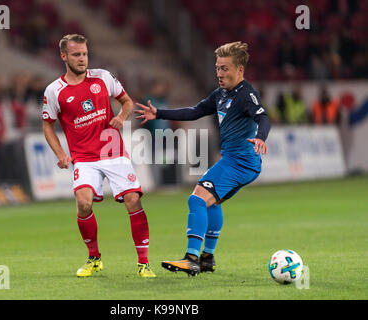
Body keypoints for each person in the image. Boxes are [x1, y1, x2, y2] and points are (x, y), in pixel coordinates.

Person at [136, 41, 271, 276]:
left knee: (196, 200)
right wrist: (159, 112)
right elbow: (194, 111)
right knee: (210, 201)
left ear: (240, 70)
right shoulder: (220, 94)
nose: (219, 73)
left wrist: (260, 137)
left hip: (241, 161)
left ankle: (191, 258)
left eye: (225, 68)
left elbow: (263, 118)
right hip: (235, 161)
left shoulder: (246, 95)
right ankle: (207, 258)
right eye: (217, 68)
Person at [42, 34, 155, 278]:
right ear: (64, 57)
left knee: (133, 200)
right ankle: (94, 258)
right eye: (76, 55)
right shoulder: (54, 91)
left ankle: (143, 263)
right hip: (83, 157)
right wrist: (61, 154)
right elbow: (47, 125)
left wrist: (122, 117)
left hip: (112, 151)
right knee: (83, 203)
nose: (82, 59)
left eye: (84, 54)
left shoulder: (103, 77)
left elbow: (127, 102)